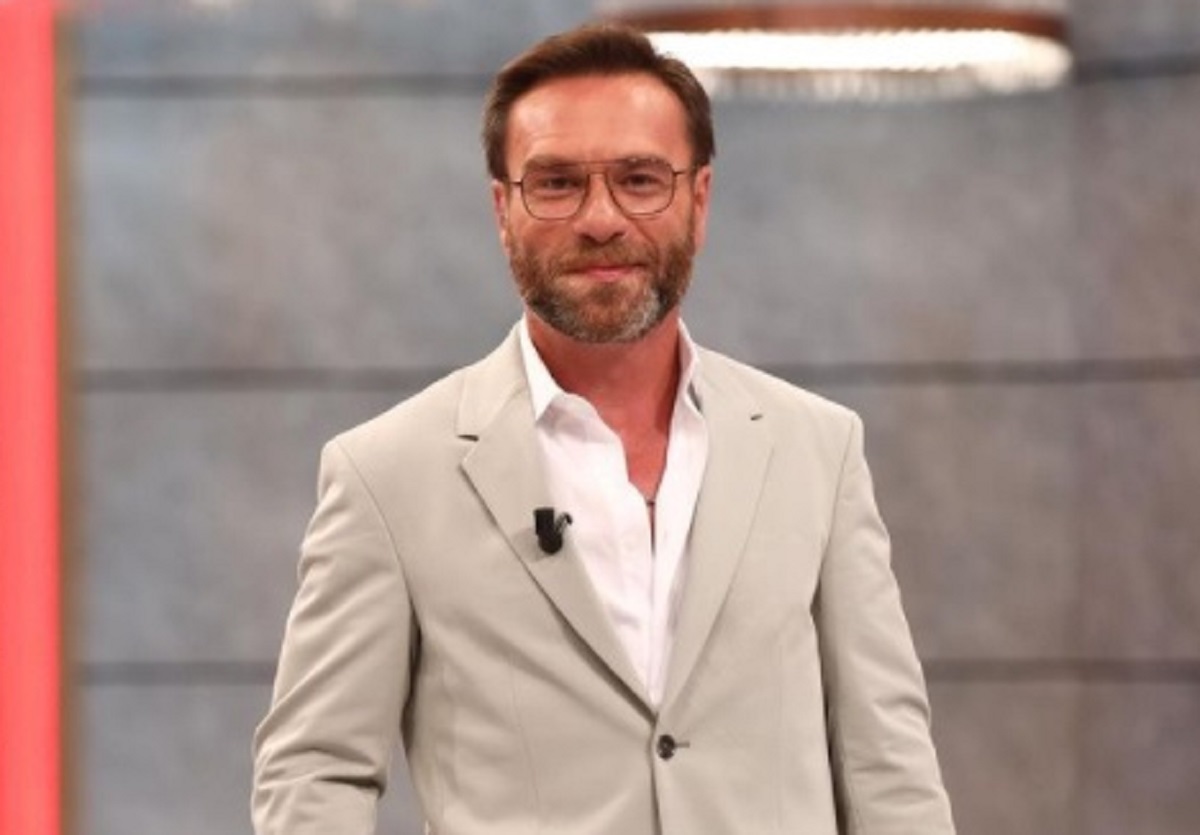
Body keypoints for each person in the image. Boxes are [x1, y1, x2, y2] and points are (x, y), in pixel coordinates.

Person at [252, 22, 956, 835]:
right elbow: (315, 772)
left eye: (639, 179)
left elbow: (890, 768)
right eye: (556, 183)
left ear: (699, 200)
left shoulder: (818, 451)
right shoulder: (387, 475)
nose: (600, 218)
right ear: (502, 210)